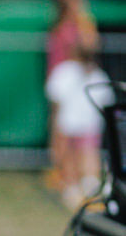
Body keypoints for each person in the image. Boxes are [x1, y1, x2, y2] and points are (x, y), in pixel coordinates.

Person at [45, 41, 113, 209]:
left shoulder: (65, 71)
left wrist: (54, 125)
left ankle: (84, 192)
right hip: (77, 124)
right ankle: (81, 192)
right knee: (82, 158)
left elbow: (55, 101)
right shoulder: (96, 74)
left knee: (80, 159)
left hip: (75, 124)